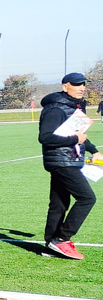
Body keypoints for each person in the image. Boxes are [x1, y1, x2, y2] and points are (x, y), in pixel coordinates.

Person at [38, 72, 101, 260]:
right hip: (61, 162)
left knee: (59, 204)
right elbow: (45, 137)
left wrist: (93, 150)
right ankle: (62, 239)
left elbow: (78, 134)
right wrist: (75, 139)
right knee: (87, 198)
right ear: (65, 86)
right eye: (76, 84)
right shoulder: (55, 109)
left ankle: (51, 245)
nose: (81, 87)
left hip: (68, 159)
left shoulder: (74, 106)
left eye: (83, 84)